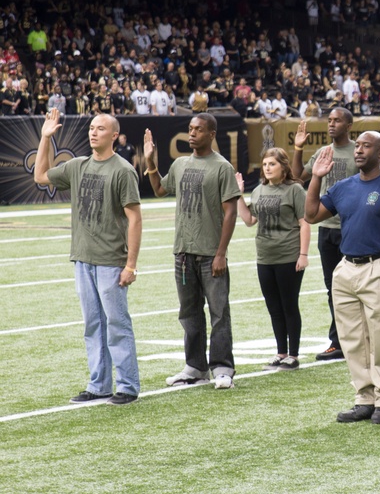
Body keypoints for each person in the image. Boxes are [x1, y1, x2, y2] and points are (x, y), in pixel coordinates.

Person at [305, 131, 380, 425]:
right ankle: (364, 398)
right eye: (358, 146)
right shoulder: (343, 187)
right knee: (352, 339)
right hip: (346, 268)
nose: (359, 151)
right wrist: (316, 177)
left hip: (379, 266)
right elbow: (312, 214)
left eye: (367, 146)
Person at [34, 111, 142, 405]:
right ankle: (99, 385)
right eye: (92, 128)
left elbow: (135, 219)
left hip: (111, 260)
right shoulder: (78, 166)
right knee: (93, 324)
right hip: (83, 259)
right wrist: (46, 138)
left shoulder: (122, 170)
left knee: (117, 324)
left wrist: (131, 265)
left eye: (101, 128)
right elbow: (40, 175)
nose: (93, 132)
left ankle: (128, 385)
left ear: (114, 136)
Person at [144, 114, 241, 390]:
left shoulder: (222, 167)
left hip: (211, 254)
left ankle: (222, 368)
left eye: (199, 129)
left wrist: (221, 253)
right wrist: (151, 161)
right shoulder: (180, 164)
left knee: (219, 312)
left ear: (212, 134)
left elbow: (231, 212)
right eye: (190, 129)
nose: (193, 133)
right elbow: (160, 189)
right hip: (183, 253)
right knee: (189, 312)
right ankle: (195, 366)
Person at [292, 108, 359, 361]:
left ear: (349, 125)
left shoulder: (357, 150)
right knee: (333, 289)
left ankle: (357, 339)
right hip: (327, 229)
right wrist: (299, 149)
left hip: (352, 229)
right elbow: (298, 176)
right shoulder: (322, 152)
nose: (331, 124)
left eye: (337, 120)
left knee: (355, 287)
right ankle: (338, 342)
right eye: (329, 120)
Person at [235, 148, 310, 371]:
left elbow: (304, 223)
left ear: (283, 167)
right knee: (273, 307)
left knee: (289, 305)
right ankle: (281, 352)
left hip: (288, 255)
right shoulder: (258, 190)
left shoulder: (295, 190)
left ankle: (293, 354)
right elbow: (249, 220)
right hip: (265, 257)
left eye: (272, 164)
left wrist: (303, 254)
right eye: (265, 164)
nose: (267, 168)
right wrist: (239, 194)